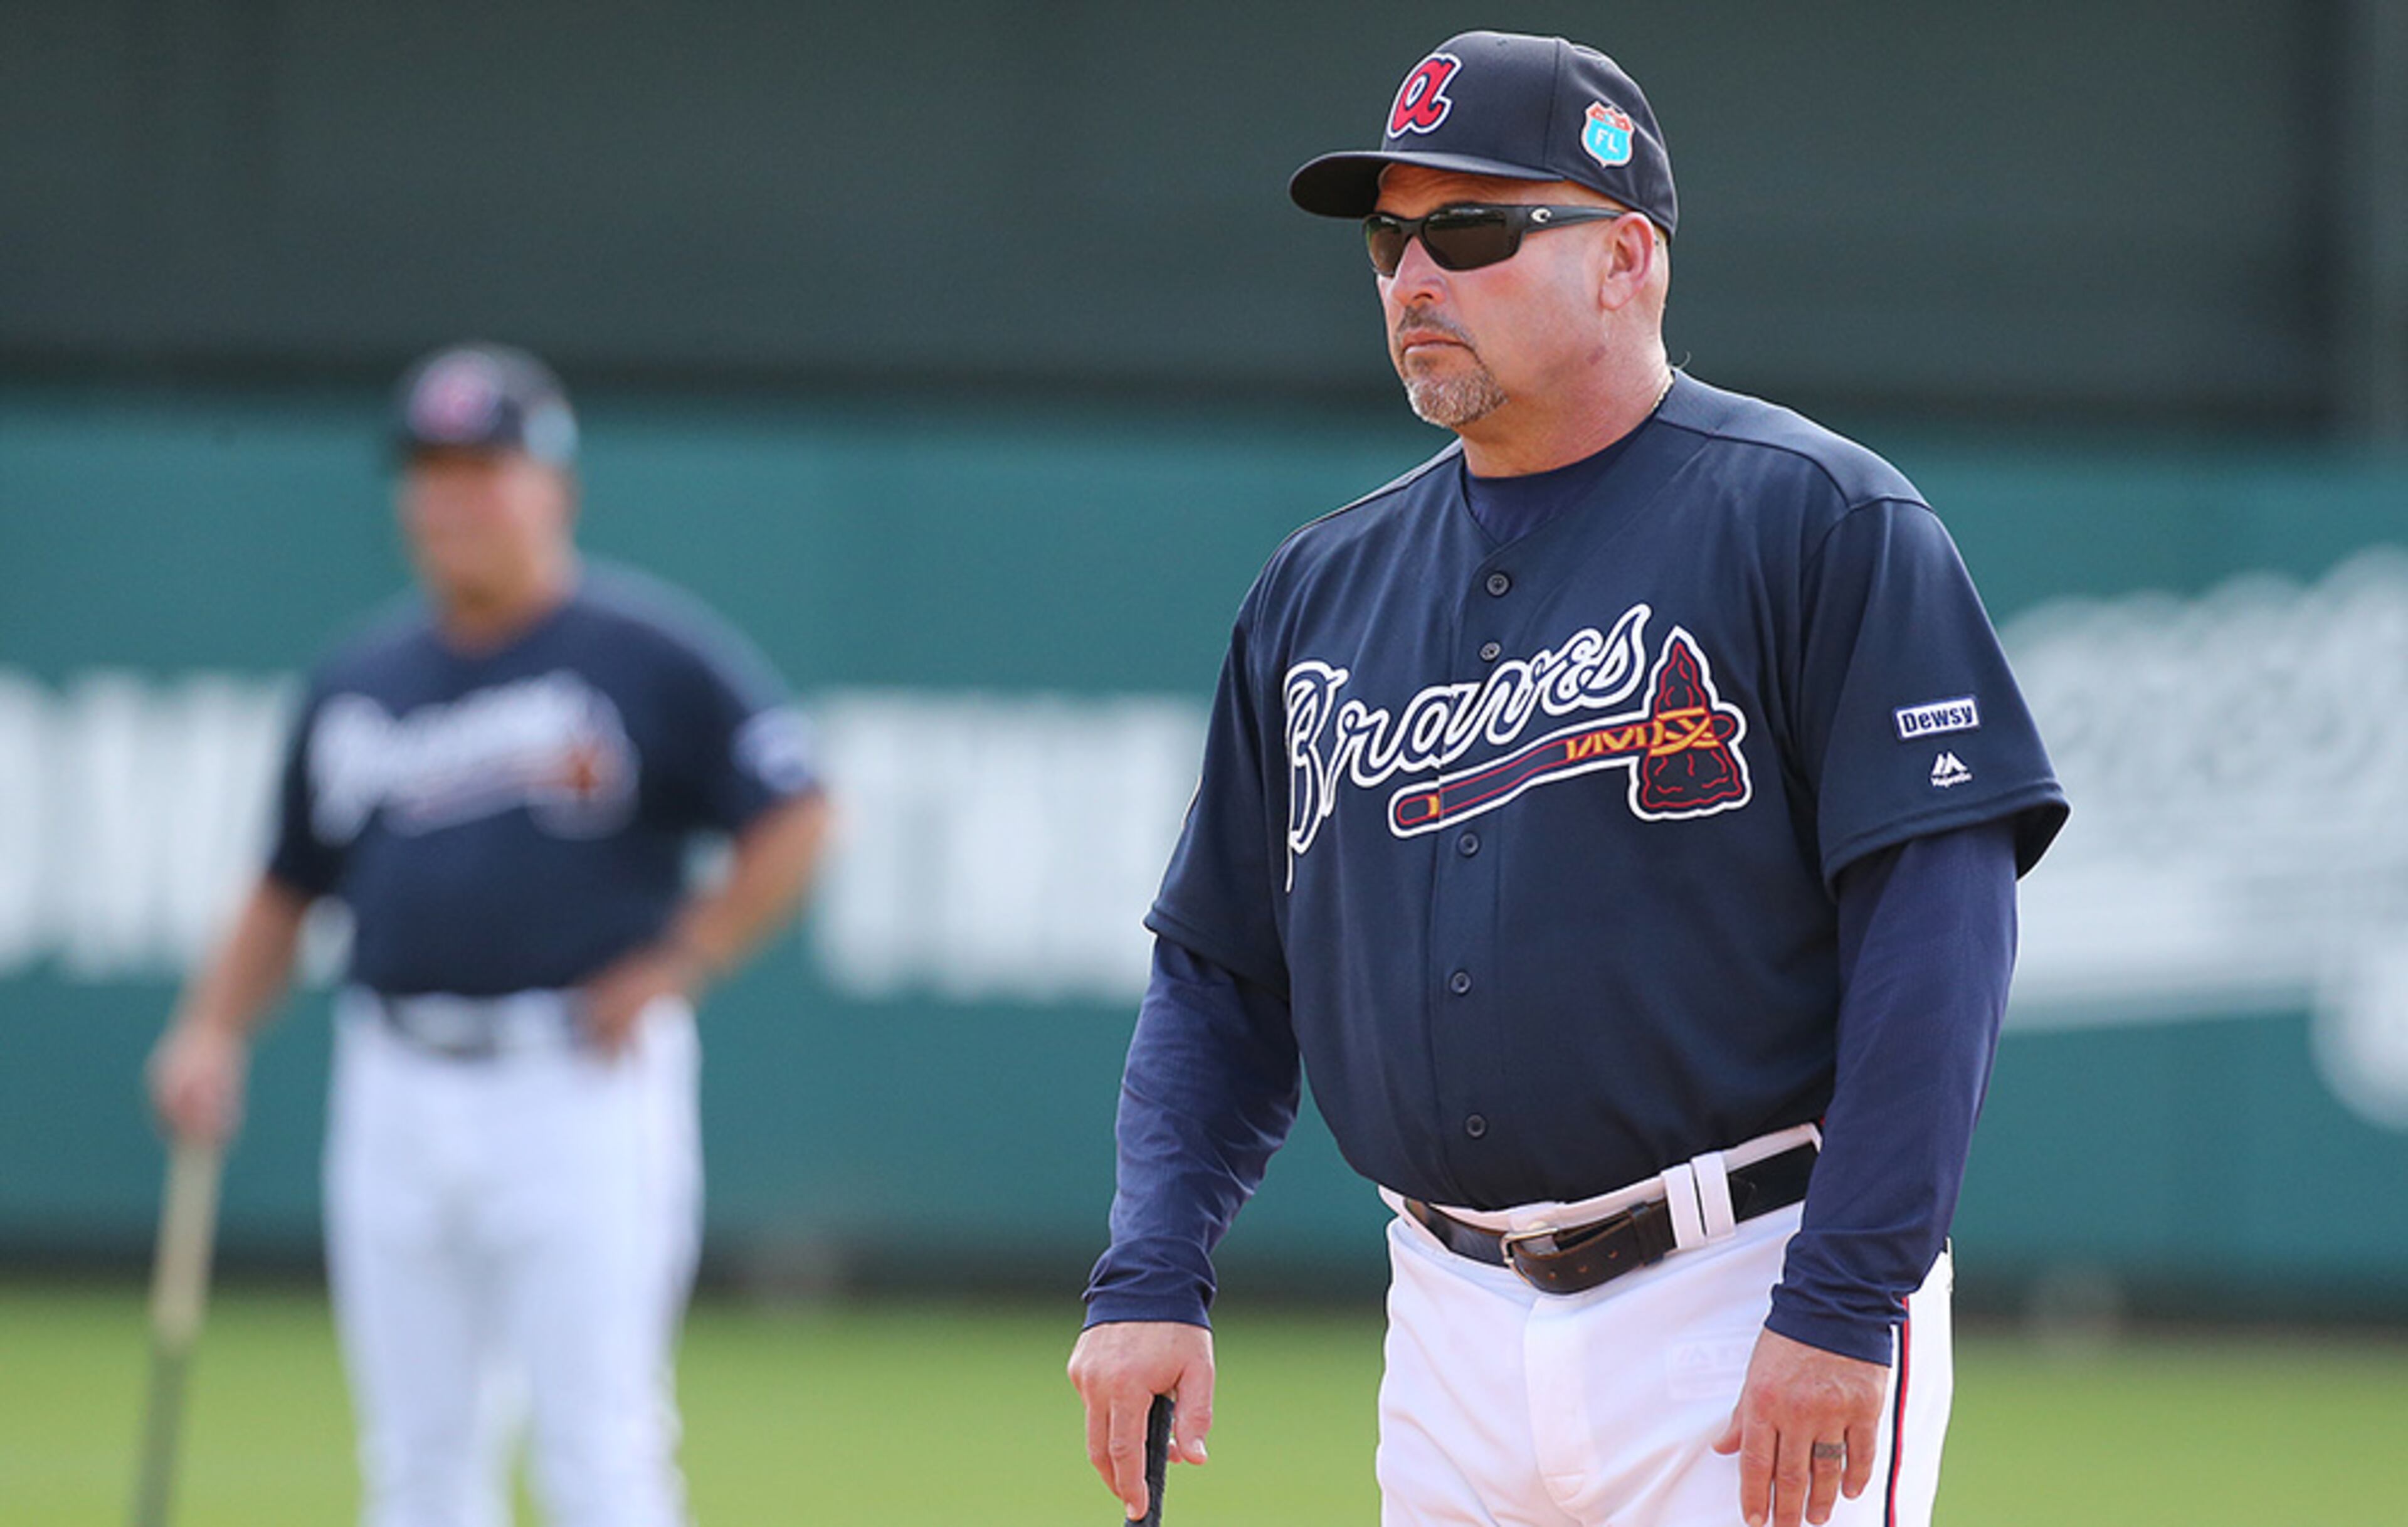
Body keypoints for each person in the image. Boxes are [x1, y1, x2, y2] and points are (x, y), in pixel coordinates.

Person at [1069, 31, 2067, 1527]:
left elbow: (1940, 939)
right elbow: (1220, 971)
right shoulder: (1320, 588)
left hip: (1744, 1287)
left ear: (1626, 259)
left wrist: (1845, 1301)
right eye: (1390, 236)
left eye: (1471, 229)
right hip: (1447, 1316)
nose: (1416, 276)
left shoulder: (1822, 522)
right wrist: (1151, 1267)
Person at [148, 342, 831, 1527]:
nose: (452, 497)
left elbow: (799, 811)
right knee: (416, 1464)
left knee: (599, 1451)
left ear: (552, 489)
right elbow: (287, 884)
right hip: (395, 1082)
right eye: (430, 470)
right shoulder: (361, 678)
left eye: (484, 467)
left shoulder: (643, 652)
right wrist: (209, 1029)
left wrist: (683, 956)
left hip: (574, 1082)